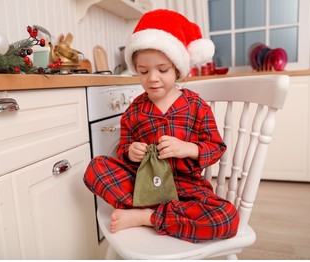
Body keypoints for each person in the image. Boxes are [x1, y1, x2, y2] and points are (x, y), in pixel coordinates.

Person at [83, 9, 239, 243]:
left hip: (187, 188)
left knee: (227, 218)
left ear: (177, 69)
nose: (152, 78)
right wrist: (130, 152)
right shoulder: (136, 109)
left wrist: (186, 148)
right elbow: (123, 148)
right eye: (143, 72)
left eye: (162, 70)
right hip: (144, 183)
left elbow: (215, 147)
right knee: (96, 168)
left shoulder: (195, 105)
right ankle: (158, 211)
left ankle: (148, 216)